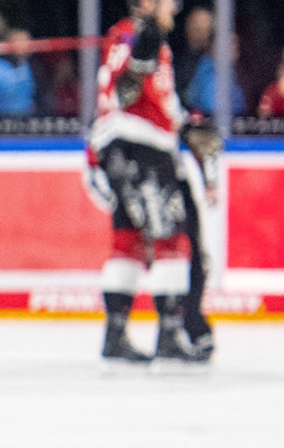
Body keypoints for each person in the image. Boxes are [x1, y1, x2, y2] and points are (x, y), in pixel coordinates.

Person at [84, 0, 201, 363]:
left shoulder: (137, 37)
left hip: (128, 148)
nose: (176, 6)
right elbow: (125, 89)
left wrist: (185, 123)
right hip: (139, 149)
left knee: (129, 240)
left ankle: (115, 334)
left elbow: (147, 93)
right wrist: (143, 53)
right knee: (171, 238)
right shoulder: (133, 35)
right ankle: (169, 332)